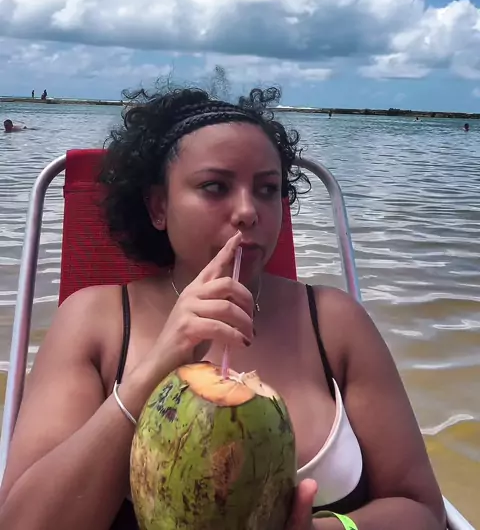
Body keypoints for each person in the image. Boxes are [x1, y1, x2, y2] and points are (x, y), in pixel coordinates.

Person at [0, 83, 447, 530]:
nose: (248, 211)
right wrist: (152, 372)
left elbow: (420, 509)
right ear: (158, 206)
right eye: (215, 186)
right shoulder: (95, 320)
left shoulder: (334, 323)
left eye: (268, 189)